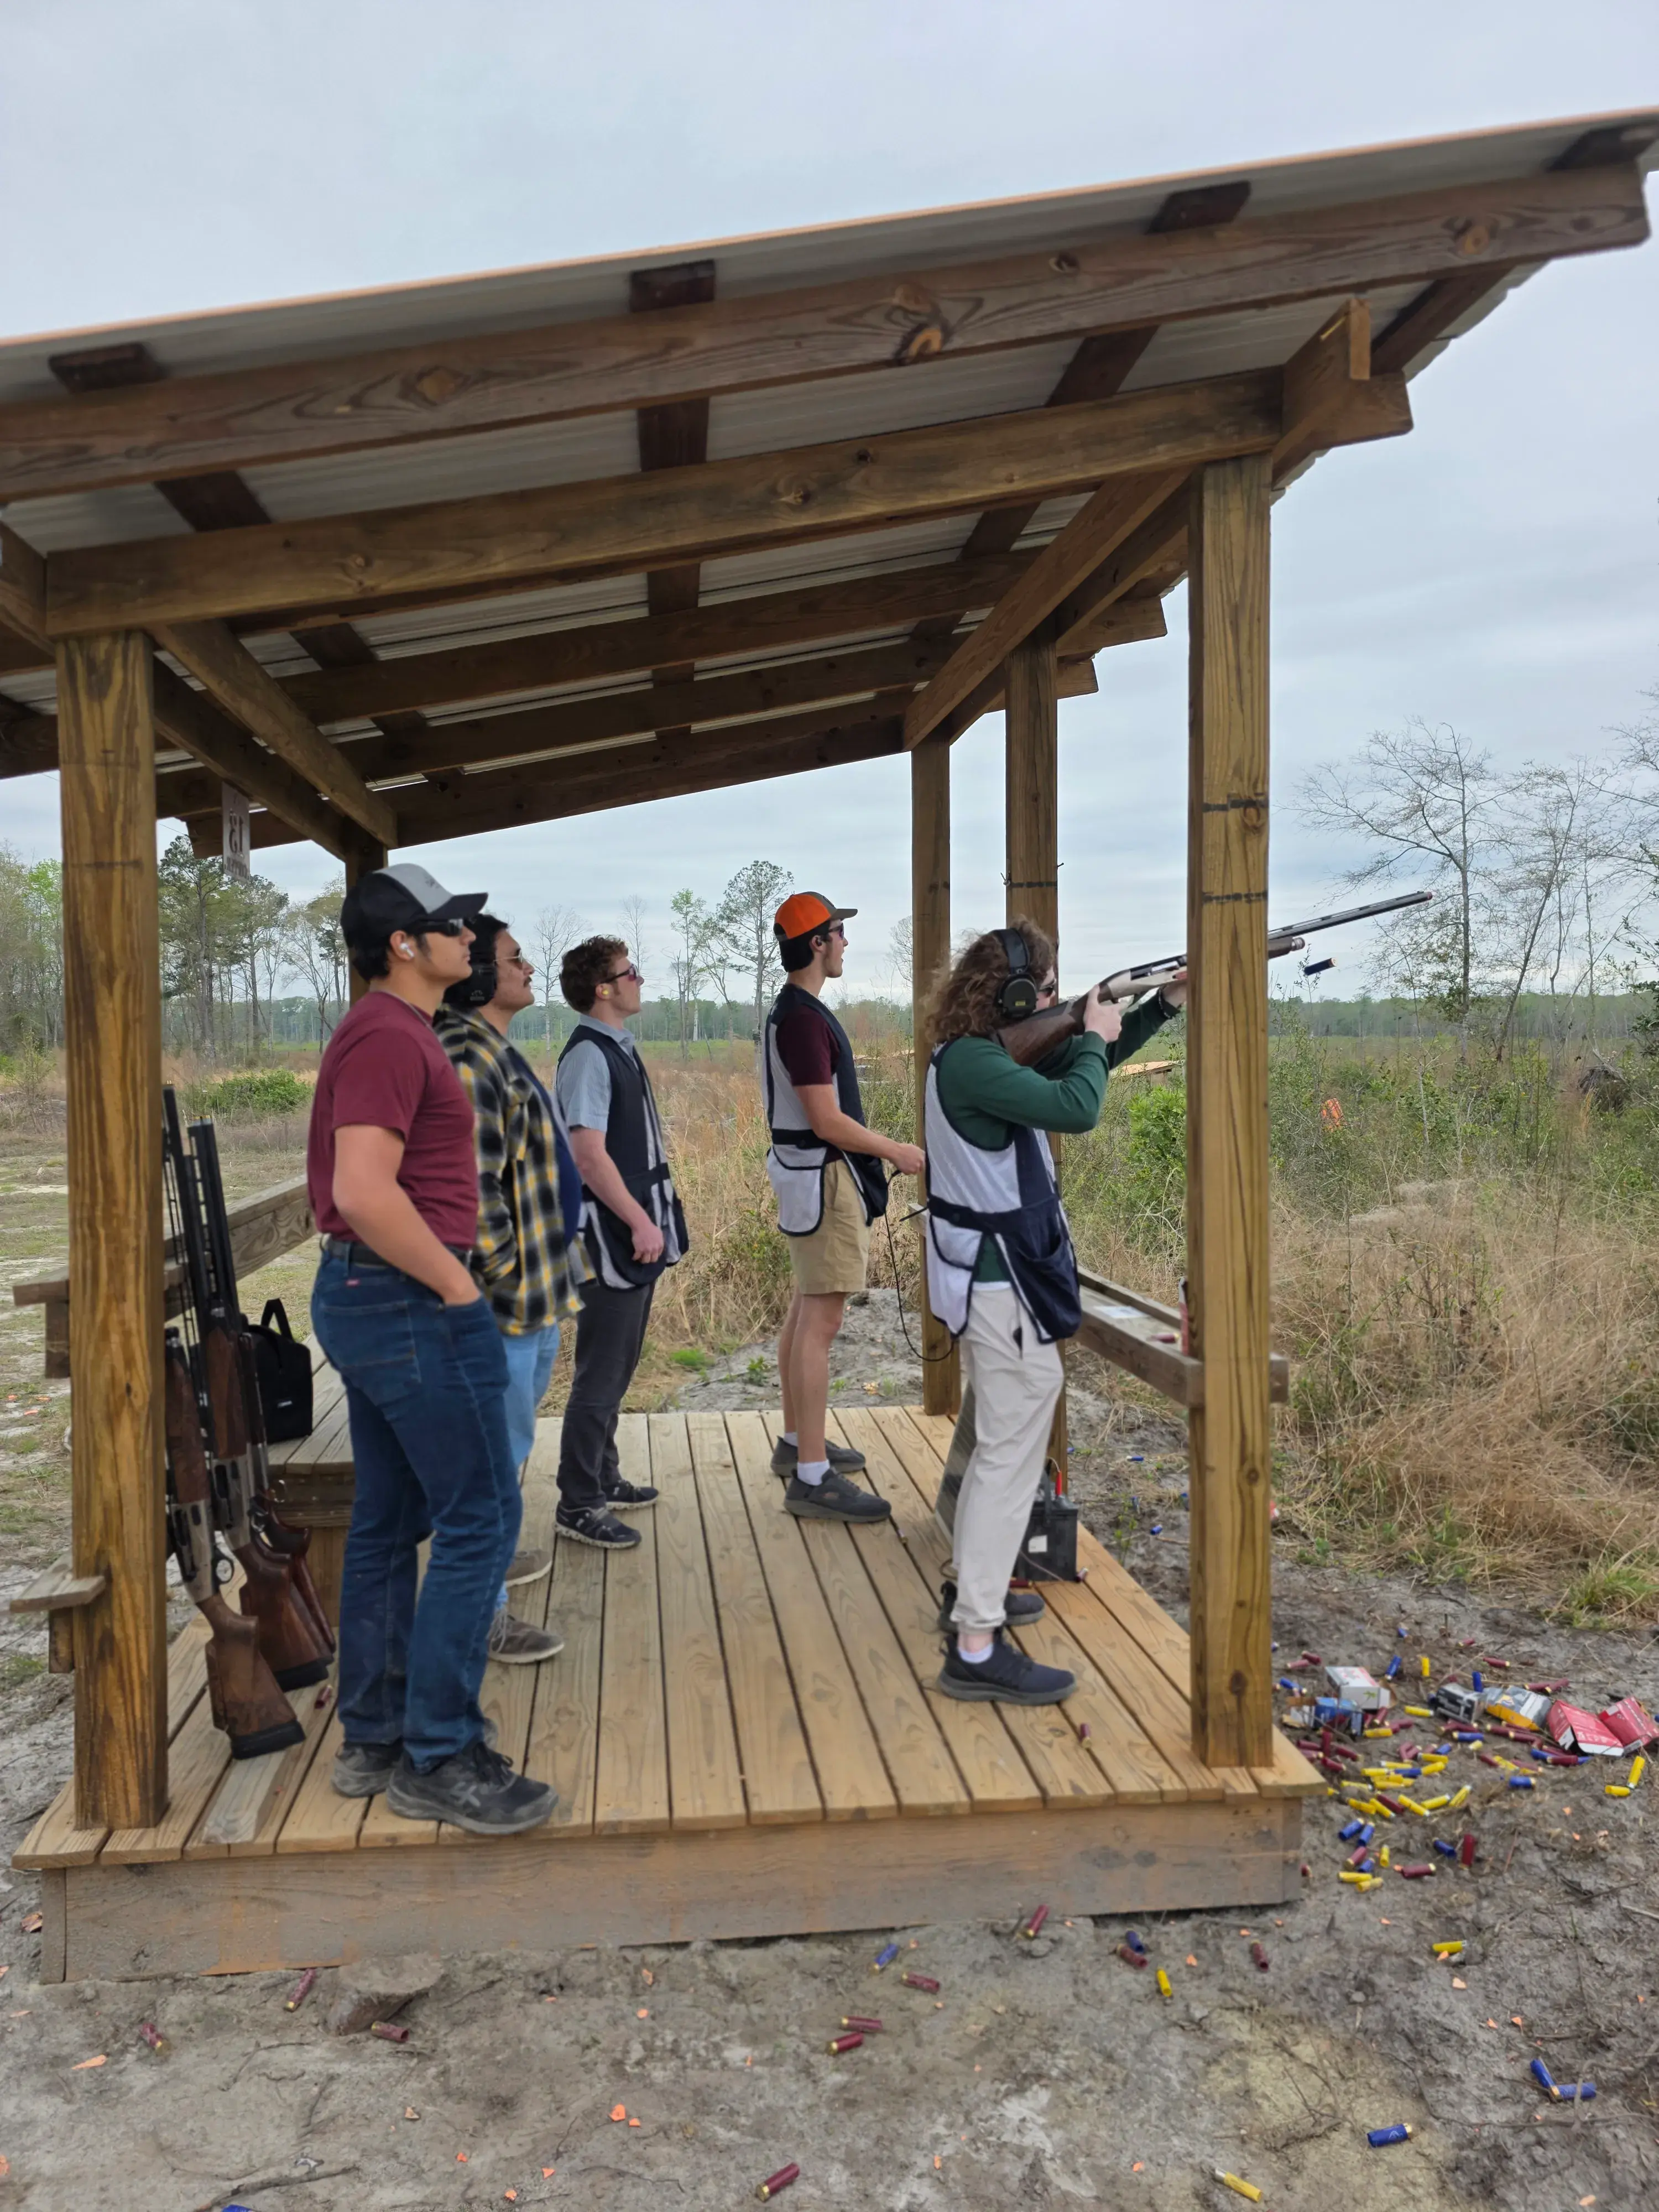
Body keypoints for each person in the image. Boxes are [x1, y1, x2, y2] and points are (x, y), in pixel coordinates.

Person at [307, 863, 555, 1835]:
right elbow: (365, 1191)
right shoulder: (385, 1035)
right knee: (482, 1516)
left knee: (389, 1516)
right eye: (452, 926)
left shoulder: (394, 1031)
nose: (471, 938)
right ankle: (442, 1754)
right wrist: (457, 1288)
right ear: (403, 945)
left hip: (380, 1296)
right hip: (409, 1298)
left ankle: (375, 1736)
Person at [922, 920, 1185, 1705]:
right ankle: (975, 1641)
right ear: (1007, 997)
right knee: (1007, 1459)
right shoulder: (973, 1063)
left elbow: (1077, 1061)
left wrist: (1159, 1005)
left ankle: (978, 1595)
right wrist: (1093, 1031)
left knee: (1005, 1455)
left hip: (1002, 1282)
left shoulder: (978, 1053)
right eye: (1042, 989)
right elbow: (1078, 1105)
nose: (1050, 998)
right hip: (1002, 1288)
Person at [436, 915, 588, 1667]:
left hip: (534, 1294)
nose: (528, 967)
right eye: (512, 958)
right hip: (506, 1302)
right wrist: (507, 1274)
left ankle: (488, 1572)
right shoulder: (466, 1054)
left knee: (510, 1447)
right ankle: (480, 1614)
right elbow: (471, 1192)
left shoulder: (494, 1047)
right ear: (477, 977)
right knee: (491, 1459)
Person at [761, 891, 925, 1523]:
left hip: (814, 1179)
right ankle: (810, 1475)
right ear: (817, 944)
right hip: (824, 1181)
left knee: (806, 1313)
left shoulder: (796, 1013)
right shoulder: (802, 1020)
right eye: (838, 932)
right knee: (820, 1325)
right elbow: (827, 1120)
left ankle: (797, 1442)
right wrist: (898, 1151)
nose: (846, 943)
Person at [552, 936, 686, 1548]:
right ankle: (578, 1501)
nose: (639, 979)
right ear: (602, 989)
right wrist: (638, 1220)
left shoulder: (617, 1048)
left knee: (619, 1364)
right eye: (628, 972)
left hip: (630, 1232)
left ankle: (602, 1477)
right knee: (600, 1372)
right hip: (610, 1237)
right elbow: (586, 1155)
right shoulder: (588, 1056)